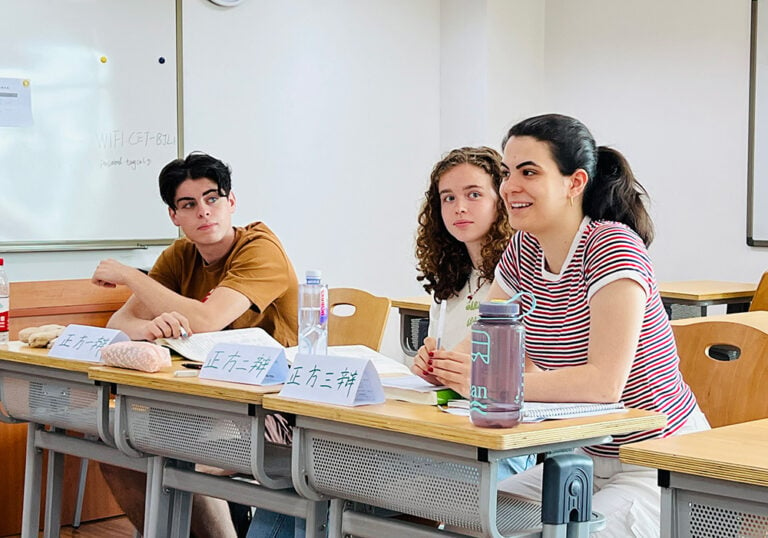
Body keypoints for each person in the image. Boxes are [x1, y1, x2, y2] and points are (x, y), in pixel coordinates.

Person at [412, 114, 710, 537]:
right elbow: (478, 346)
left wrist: (488, 380)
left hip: (660, 459)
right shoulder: (523, 249)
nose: (510, 186)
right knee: (469, 523)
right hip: (583, 458)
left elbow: (603, 385)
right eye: (509, 172)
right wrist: (440, 364)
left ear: (574, 183)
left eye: (529, 171)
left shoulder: (612, 247)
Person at [92, 151, 299, 538]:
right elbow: (119, 323)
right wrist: (156, 324)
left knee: (176, 457)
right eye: (188, 204)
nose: (204, 212)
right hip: (204, 397)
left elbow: (206, 321)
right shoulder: (180, 255)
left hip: (272, 407)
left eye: (213, 198)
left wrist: (129, 276)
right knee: (117, 454)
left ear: (231, 202)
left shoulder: (260, 249)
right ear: (175, 216)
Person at [414, 146, 534, 478]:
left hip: (505, 435)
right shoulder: (449, 280)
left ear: (502, 199)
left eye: (474, 194)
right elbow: (449, 362)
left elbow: (533, 368)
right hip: (452, 424)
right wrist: (432, 366)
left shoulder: (522, 272)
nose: (460, 208)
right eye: (448, 198)